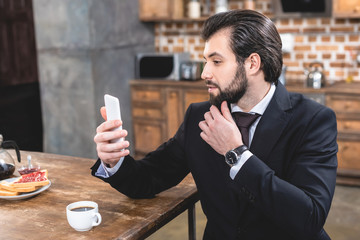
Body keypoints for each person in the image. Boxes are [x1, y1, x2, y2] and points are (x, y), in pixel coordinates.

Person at [92, 9, 337, 240]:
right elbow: (147, 179)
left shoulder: (313, 120)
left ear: (252, 64)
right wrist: (114, 160)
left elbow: (309, 217)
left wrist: (236, 154)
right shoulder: (199, 116)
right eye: (205, 61)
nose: (204, 73)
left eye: (216, 62)